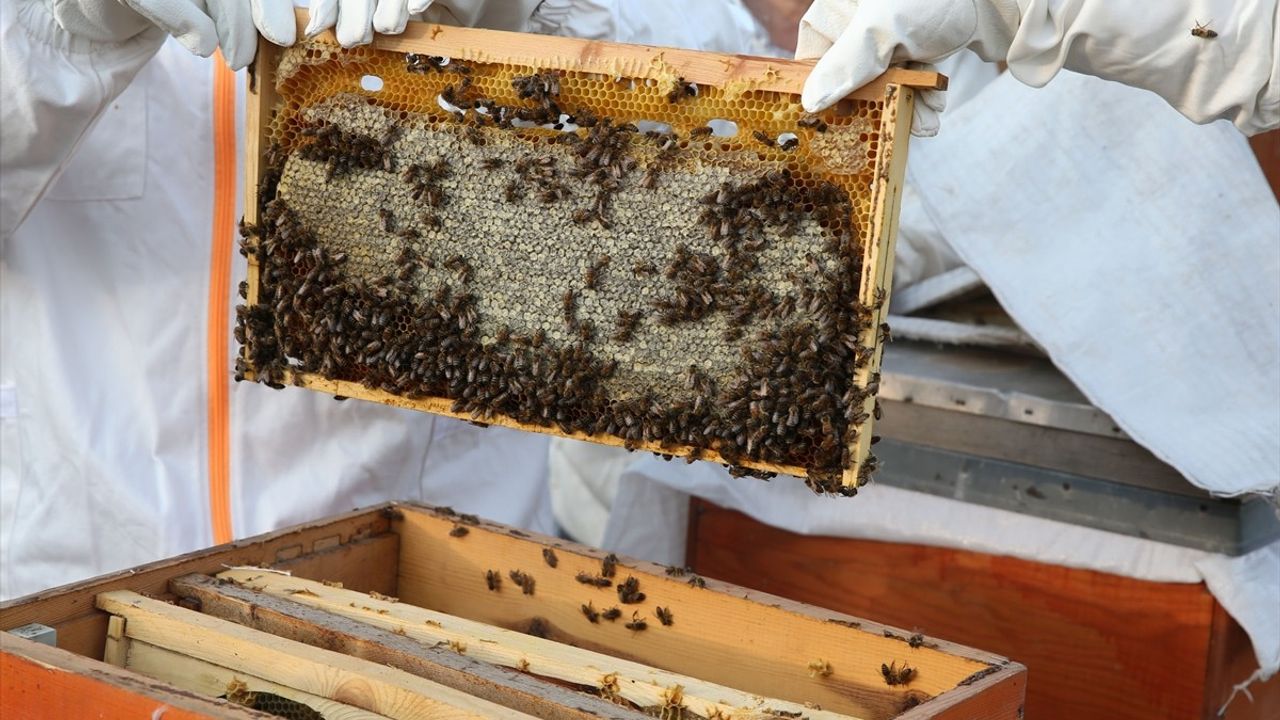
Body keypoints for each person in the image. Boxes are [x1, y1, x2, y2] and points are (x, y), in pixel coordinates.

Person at [0, 0, 619, 601]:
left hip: (439, 568)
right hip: (80, 565)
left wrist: (539, 11)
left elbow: (691, 84)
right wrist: (56, 37)